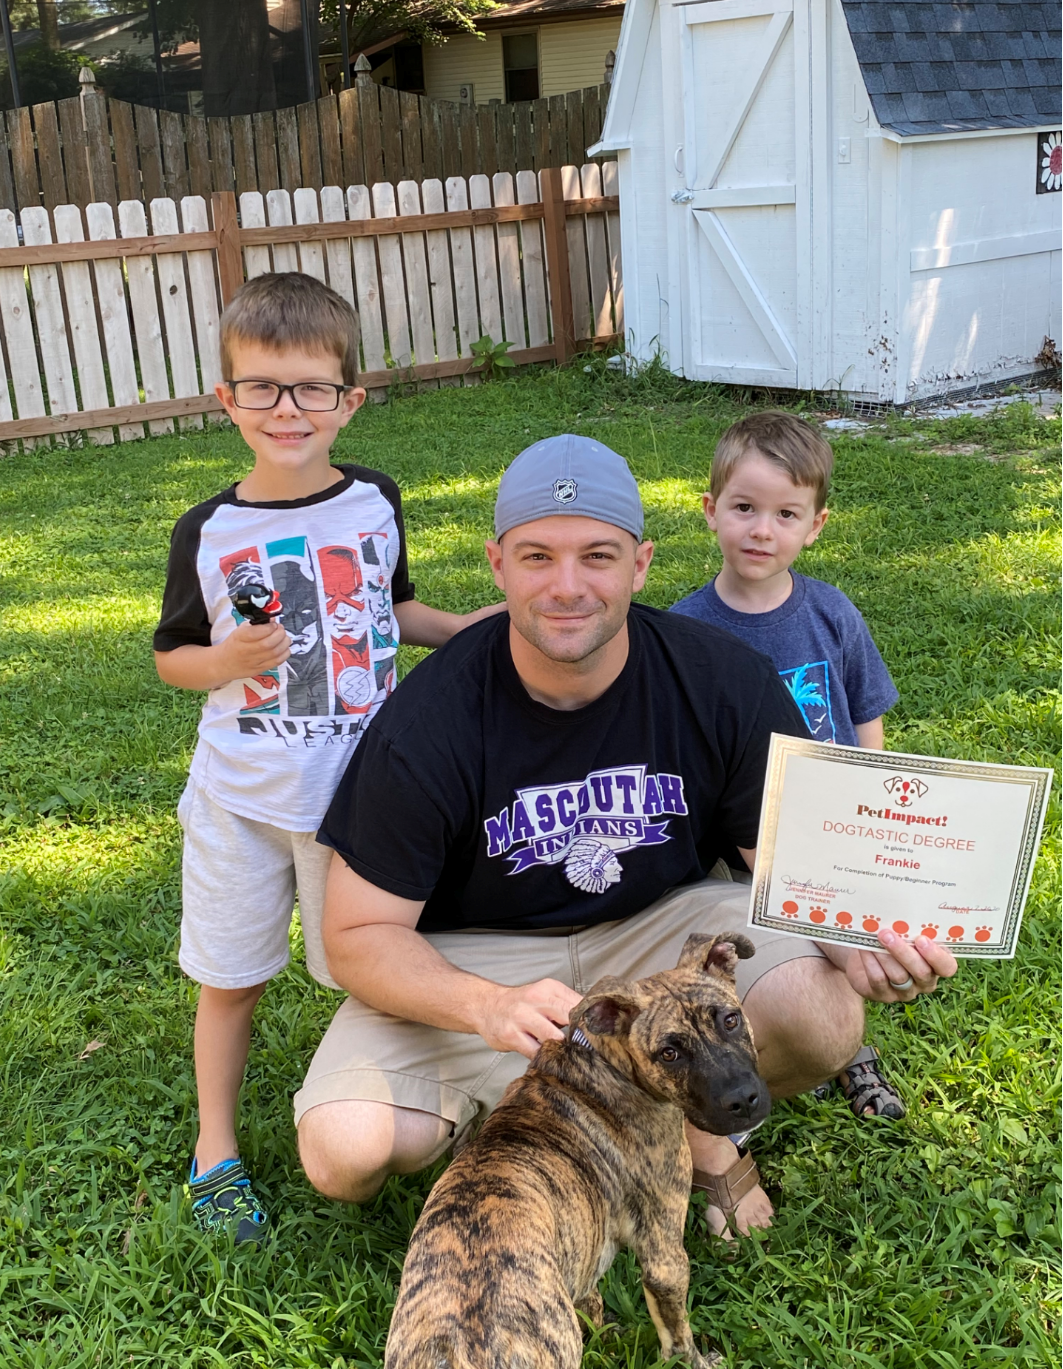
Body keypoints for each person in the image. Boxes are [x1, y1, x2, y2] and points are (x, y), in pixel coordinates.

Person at [296, 433, 957, 1240]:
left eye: (597, 557)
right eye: (537, 557)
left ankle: (693, 1135)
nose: (567, 587)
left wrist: (859, 945)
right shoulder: (430, 715)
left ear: (639, 565)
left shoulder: (719, 679)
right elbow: (357, 935)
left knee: (822, 1013)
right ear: (497, 565)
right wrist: (485, 1006)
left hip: (660, 931)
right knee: (345, 1152)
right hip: (481, 952)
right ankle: (561, 1114)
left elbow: (793, 868)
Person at [153, 272, 501, 1241]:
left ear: (349, 398)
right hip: (243, 797)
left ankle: (431, 1103)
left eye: (311, 388)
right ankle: (213, 1147)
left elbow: (390, 608)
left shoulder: (376, 502)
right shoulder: (209, 532)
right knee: (230, 977)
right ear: (226, 399)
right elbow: (170, 653)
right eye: (261, 387)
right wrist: (223, 659)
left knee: (383, 964)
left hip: (362, 799)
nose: (287, 410)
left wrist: (463, 626)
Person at [670, 411, 905, 1119]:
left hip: (831, 817)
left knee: (847, 943)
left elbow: (864, 707)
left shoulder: (831, 614)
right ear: (710, 511)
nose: (760, 530)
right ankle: (731, 1074)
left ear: (816, 524)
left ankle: (852, 1054)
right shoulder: (684, 629)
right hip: (733, 839)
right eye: (743, 508)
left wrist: (876, 801)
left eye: (784, 514)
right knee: (753, 957)